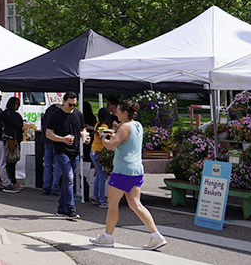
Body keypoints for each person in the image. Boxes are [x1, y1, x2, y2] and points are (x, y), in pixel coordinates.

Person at [91, 100, 167, 250]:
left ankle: (107, 237)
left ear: (125, 113)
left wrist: (102, 137)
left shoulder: (124, 127)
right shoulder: (137, 125)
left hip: (122, 170)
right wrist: (113, 134)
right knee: (135, 204)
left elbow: (110, 145)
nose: (115, 113)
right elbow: (125, 140)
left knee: (113, 205)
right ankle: (156, 236)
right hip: (136, 170)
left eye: (118, 111)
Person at [46, 91, 89, 219]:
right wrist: (62, 139)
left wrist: (85, 137)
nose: (72, 107)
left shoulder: (78, 114)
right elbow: (48, 133)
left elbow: (82, 129)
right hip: (61, 151)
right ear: (63, 102)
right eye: (70, 104)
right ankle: (70, 208)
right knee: (69, 178)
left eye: (74, 105)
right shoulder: (55, 115)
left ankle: (61, 208)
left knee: (67, 180)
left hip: (75, 151)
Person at [90, 107, 113, 208]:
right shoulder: (103, 126)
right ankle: (102, 200)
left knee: (99, 176)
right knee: (102, 177)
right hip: (99, 152)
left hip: (94, 151)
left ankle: (95, 196)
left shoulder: (97, 124)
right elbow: (107, 137)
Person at [41, 101, 63, 196]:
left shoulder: (49, 110)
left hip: (47, 140)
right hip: (56, 140)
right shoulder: (60, 112)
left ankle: (46, 187)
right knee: (57, 165)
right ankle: (54, 187)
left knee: (47, 164)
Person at [3, 96, 24, 188]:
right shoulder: (14, 115)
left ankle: (3, 179)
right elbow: (19, 125)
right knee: (12, 160)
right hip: (13, 140)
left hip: (6, 138)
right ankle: (13, 181)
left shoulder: (4, 113)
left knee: (5, 162)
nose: (18, 106)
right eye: (17, 104)